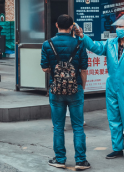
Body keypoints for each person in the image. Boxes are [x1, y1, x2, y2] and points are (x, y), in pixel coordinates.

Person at [75, 14, 124, 160]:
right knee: (114, 119)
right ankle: (117, 148)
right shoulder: (110, 44)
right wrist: (83, 36)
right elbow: (95, 47)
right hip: (112, 87)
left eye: (121, 27)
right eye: (117, 27)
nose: (118, 29)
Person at [41, 14, 90, 170]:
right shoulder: (79, 44)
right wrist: (81, 85)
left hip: (56, 90)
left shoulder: (47, 44)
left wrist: (56, 74)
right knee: (77, 126)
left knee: (58, 126)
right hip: (75, 89)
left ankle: (60, 159)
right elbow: (83, 69)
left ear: (56, 25)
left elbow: (45, 67)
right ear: (71, 27)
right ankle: (81, 160)